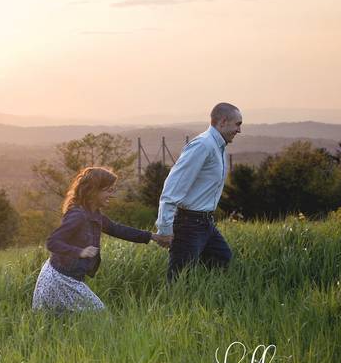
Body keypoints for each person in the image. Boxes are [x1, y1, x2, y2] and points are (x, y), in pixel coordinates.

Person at [32, 166, 171, 312]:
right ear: (93, 191)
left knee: (66, 321)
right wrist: (80, 251)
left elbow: (117, 229)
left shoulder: (94, 214)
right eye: (108, 190)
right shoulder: (78, 215)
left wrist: (153, 236)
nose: (112, 195)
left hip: (67, 277)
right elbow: (53, 242)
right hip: (59, 278)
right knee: (100, 317)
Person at [156, 102, 243, 282]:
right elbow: (173, 187)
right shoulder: (203, 145)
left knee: (221, 259)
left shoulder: (218, 147)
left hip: (205, 222)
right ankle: (173, 307)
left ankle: (205, 300)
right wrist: (165, 228)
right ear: (223, 121)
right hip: (188, 223)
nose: (239, 130)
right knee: (180, 278)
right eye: (238, 124)